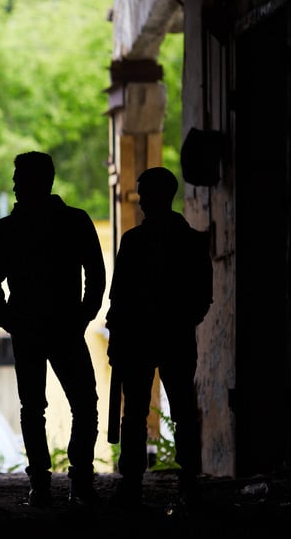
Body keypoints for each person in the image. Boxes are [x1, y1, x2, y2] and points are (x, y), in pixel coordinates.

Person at [0, 150, 106, 507]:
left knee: (33, 407)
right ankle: (79, 481)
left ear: (37, 181)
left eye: (20, 178)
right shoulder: (75, 221)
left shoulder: (7, 229)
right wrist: (82, 317)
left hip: (30, 330)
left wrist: (10, 321)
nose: (15, 184)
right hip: (65, 328)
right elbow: (95, 276)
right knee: (84, 404)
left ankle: (40, 483)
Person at [105, 166, 213, 510]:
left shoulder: (135, 241)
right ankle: (188, 481)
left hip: (142, 338)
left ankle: (134, 483)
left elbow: (119, 297)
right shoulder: (192, 241)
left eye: (144, 194)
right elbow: (202, 297)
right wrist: (180, 323)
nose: (141, 202)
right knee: (181, 411)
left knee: (136, 413)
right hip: (174, 337)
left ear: (157, 197)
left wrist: (120, 334)